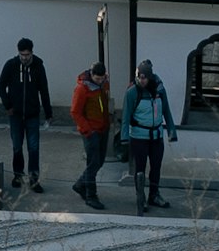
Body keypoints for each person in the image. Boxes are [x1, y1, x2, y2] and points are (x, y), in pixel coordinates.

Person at [121, 58, 177, 213]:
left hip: (157, 135)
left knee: (156, 167)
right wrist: (124, 137)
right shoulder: (132, 92)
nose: (141, 80)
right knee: (140, 169)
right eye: (139, 77)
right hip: (139, 136)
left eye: (144, 77)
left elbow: (166, 110)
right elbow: (125, 116)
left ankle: (154, 194)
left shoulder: (159, 90)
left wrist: (171, 131)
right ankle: (141, 197)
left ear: (150, 77)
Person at [0, 36, 52, 191]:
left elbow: (44, 90)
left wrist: (48, 112)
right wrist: (7, 105)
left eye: (27, 55)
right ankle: (18, 175)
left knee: (33, 147)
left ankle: (34, 179)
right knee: (17, 146)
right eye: (22, 55)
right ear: (19, 53)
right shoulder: (11, 65)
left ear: (32, 53)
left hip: (32, 114)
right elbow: (1, 85)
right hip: (15, 114)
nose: (25, 58)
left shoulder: (38, 66)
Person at [69, 59, 115, 209]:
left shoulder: (104, 84)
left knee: (99, 161)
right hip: (91, 131)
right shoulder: (82, 89)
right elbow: (75, 112)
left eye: (102, 78)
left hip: (103, 128)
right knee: (93, 162)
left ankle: (80, 184)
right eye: (97, 78)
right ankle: (91, 195)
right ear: (91, 74)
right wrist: (88, 130)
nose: (100, 81)